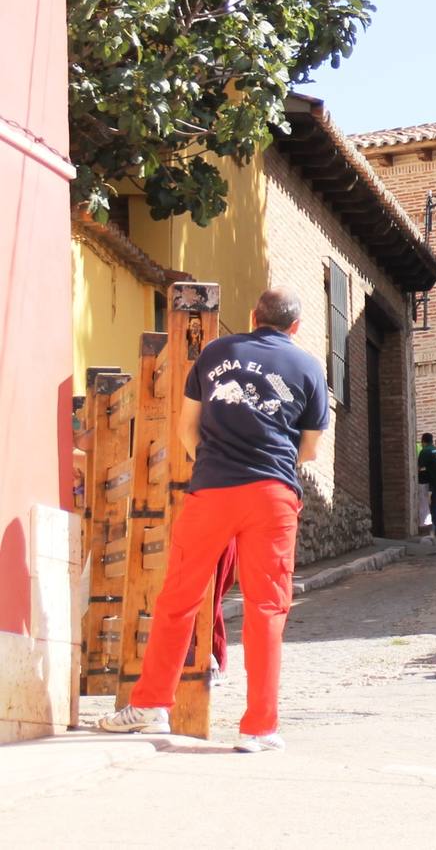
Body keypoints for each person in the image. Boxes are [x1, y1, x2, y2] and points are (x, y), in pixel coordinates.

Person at [98, 287, 329, 752]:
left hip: (212, 491)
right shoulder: (308, 367)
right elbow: (309, 448)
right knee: (267, 608)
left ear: (252, 316)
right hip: (272, 495)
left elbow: (187, 427)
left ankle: (150, 707)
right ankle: (258, 728)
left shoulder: (216, 351)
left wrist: (209, 462)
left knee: (178, 598)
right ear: (296, 327)